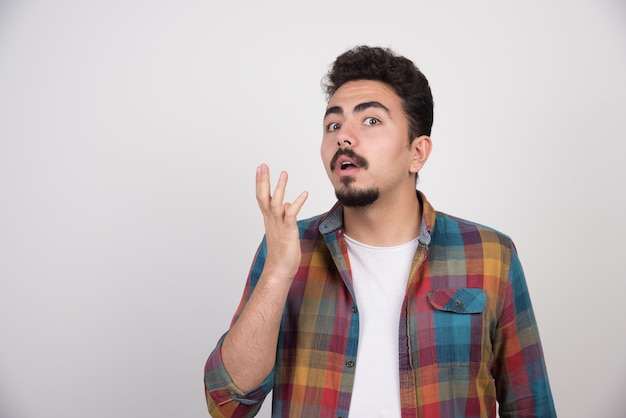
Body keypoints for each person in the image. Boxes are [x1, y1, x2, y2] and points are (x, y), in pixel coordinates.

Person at [204, 45, 556, 418]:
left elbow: (530, 404)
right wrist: (277, 273)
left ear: (417, 153)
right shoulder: (287, 248)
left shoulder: (490, 254)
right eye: (333, 125)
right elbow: (228, 403)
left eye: (370, 121)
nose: (344, 137)